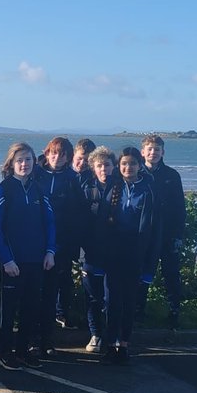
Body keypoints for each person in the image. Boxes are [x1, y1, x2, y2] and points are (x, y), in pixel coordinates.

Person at [0, 142, 56, 369]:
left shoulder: (40, 189)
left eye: (28, 159)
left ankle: (23, 351)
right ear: (11, 163)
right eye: (19, 160)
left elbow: (50, 222)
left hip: (36, 260)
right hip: (12, 263)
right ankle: (5, 351)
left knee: (31, 308)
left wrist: (50, 251)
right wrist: (6, 259)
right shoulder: (4, 188)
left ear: (34, 162)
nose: (24, 164)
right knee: (8, 310)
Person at [93, 147, 160, 363]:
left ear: (140, 165)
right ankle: (110, 344)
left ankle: (124, 345)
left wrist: (149, 264)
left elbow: (152, 229)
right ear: (118, 166)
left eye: (132, 164)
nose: (127, 168)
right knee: (111, 300)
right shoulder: (113, 187)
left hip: (135, 255)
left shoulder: (148, 190)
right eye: (123, 164)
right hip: (113, 254)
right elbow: (102, 223)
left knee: (129, 302)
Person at [37, 136, 84, 349]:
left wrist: (70, 248)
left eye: (63, 154)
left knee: (51, 291)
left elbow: (77, 215)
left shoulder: (72, 179)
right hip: (35, 242)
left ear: (69, 158)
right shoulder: (35, 174)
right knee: (33, 292)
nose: (57, 157)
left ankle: (46, 339)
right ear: (47, 153)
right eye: (54, 153)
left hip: (60, 246)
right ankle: (30, 338)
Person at [138, 134, 186, 329]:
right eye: (149, 149)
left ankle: (174, 311)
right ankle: (138, 310)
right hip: (144, 234)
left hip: (167, 234)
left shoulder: (172, 175)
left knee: (171, 274)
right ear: (143, 152)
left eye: (157, 149)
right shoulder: (137, 173)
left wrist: (178, 236)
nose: (153, 152)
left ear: (162, 152)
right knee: (141, 273)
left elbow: (180, 208)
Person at [79, 147, 115, 354]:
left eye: (107, 165)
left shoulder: (121, 188)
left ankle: (111, 336)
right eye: (99, 165)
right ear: (93, 167)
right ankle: (95, 334)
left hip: (113, 254)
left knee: (111, 298)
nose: (103, 169)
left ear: (114, 166)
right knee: (92, 297)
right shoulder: (86, 190)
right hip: (90, 253)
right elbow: (79, 222)